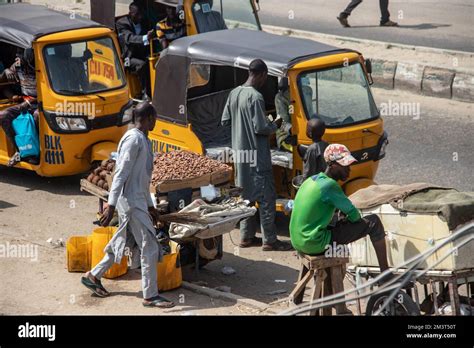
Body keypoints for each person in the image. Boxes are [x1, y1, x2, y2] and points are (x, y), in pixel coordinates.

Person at [81, 101, 175, 308]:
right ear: (149, 118)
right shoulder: (134, 140)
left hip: (136, 201)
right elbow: (121, 174)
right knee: (149, 245)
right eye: (155, 118)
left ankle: (93, 275)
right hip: (131, 203)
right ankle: (150, 295)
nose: (156, 122)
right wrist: (111, 205)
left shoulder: (142, 139)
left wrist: (151, 206)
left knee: (124, 241)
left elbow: (141, 179)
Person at [221, 59, 292, 252]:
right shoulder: (256, 97)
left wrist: (240, 129)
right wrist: (275, 125)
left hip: (241, 157)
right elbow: (260, 127)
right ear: (261, 74)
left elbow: (225, 121)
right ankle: (270, 240)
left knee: (246, 198)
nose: (264, 81)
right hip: (258, 157)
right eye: (265, 77)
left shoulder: (234, 93)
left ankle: (246, 237)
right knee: (266, 198)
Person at [290, 144, 390, 274]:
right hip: (314, 244)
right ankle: (386, 275)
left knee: (338, 225)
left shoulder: (311, 180)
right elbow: (355, 216)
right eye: (345, 166)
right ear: (332, 165)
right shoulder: (329, 185)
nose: (348, 170)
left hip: (298, 241)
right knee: (373, 222)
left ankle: (327, 289)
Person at [0, 48, 39, 167]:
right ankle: (20, 151)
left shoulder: (41, 65)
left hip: (41, 102)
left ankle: (36, 151)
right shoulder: (18, 65)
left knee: (37, 116)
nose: (18, 57)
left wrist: (30, 102)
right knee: (3, 115)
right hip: (25, 102)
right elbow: (2, 83)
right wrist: (6, 72)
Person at [116, 2, 155, 99]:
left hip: (143, 53)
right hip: (128, 57)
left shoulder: (145, 22)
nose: (140, 17)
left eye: (141, 14)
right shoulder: (122, 23)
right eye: (137, 14)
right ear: (130, 14)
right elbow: (129, 38)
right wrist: (146, 37)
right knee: (141, 65)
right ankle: (145, 93)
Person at [274, 77, 293, 152]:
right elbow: (283, 121)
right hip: (285, 137)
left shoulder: (303, 92)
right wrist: (292, 130)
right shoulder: (280, 97)